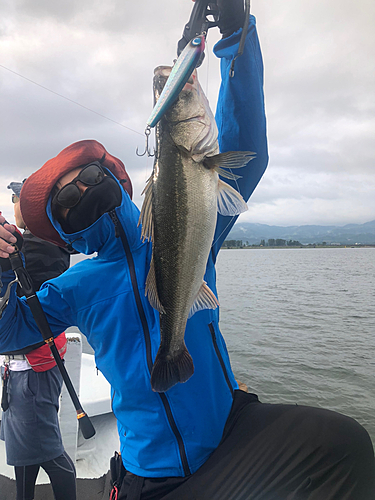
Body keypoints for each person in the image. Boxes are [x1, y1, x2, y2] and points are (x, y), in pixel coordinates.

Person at [0, 2, 374, 499]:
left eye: (89, 178)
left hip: (233, 436)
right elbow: (9, 331)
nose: (84, 195)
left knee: (343, 444)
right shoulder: (74, 286)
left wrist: (235, 39)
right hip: (152, 475)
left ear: (116, 177)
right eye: (65, 202)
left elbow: (245, 152)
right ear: (64, 234)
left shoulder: (186, 221)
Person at [0, 181, 76, 500]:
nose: (14, 203)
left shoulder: (38, 248)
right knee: (26, 451)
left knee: (51, 455)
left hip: (32, 371)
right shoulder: (44, 245)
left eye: (18, 198)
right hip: (27, 368)